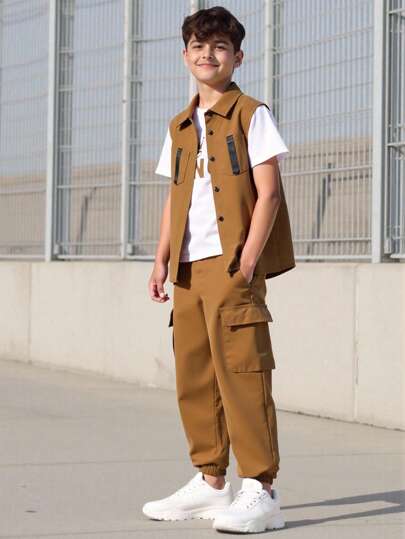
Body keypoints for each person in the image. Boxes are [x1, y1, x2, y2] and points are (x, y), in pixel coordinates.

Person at [143, 6, 295, 534]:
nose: (208, 55)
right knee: (195, 376)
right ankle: (210, 483)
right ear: (185, 55)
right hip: (188, 270)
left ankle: (261, 489)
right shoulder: (180, 126)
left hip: (231, 266)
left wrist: (247, 262)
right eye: (198, 46)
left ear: (238, 57)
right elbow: (175, 195)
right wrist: (161, 258)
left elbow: (269, 192)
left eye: (219, 47)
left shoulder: (252, 114)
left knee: (243, 375)